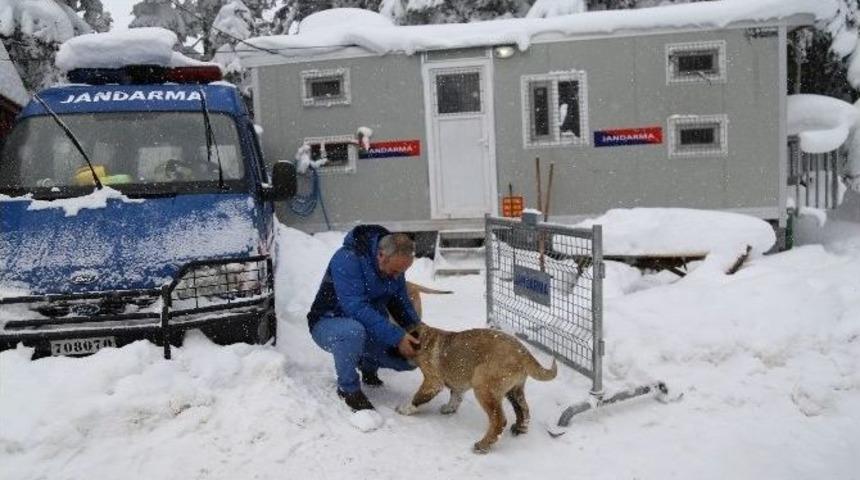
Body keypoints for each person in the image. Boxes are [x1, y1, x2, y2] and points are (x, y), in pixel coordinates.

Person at [307, 225, 422, 411]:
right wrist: (397, 337)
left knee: (409, 360)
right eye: (395, 271)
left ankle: (367, 365)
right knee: (353, 332)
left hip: (366, 326)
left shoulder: (394, 265)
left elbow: (401, 302)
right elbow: (355, 307)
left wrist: (418, 331)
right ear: (381, 255)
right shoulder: (347, 258)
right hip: (328, 323)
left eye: (402, 272)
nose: (397, 276)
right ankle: (348, 389)